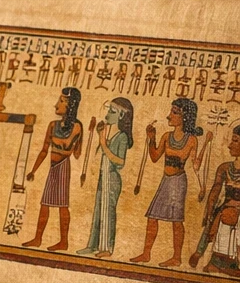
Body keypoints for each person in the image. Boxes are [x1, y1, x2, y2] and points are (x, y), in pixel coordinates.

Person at [131, 97, 203, 267]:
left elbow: (196, 165)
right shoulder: (166, 136)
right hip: (166, 180)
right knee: (152, 216)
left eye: (174, 112)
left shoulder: (192, 140)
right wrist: (151, 138)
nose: (169, 116)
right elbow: (155, 157)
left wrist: (203, 150)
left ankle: (177, 257)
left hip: (178, 182)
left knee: (176, 220)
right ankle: (146, 253)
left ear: (184, 117)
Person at [24, 87, 83, 251]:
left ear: (70, 105)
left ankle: (64, 242)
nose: (56, 104)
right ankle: (38, 239)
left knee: (62, 204)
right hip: (52, 167)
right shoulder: (52, 125)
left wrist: (83, 137)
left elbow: (77, 154)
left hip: (63, 166)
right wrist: (33, 170)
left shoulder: (77, 127)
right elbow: (44, 150)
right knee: (45, 203)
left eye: (61, 101)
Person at [78, 97, 133, 258]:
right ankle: (93, 245)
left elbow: (120, 162)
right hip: (103, 177)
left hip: (112, 179)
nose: (108, 114)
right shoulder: (113, 134)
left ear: (121, 116)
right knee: (98, 211)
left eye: (112, 111)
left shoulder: (122, 137)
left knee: (108, 213)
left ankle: (107, 248)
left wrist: (103, 142)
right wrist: (101, 136)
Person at [189, 122, 240, 276]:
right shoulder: (225, 168)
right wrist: (209, 211)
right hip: (226, 210)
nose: (230, 145)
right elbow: (215, 193)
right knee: (222, 217)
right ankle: (205, 257)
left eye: (235, 140)